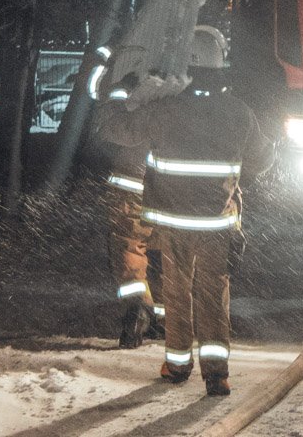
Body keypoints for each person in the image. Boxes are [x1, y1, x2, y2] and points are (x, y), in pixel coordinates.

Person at [94, 26, 274, 396]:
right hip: (216, 226)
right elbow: (262, 159)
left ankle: (177, 365)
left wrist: (120, 90)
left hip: (173, 223)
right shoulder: (238, 112)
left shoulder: (166, 109)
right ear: (220, 66)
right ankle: (217, 374)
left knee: (176, 294)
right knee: (213, 295)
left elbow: (114, 129)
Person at [89, 46, 164, 349]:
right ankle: (165, 319)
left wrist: (112, 69)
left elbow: (102, 103)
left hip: (131, 185)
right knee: (169, 253)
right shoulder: (186, 87)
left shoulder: (126, 68)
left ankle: (138, 311)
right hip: (170, 188)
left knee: (130, 248)